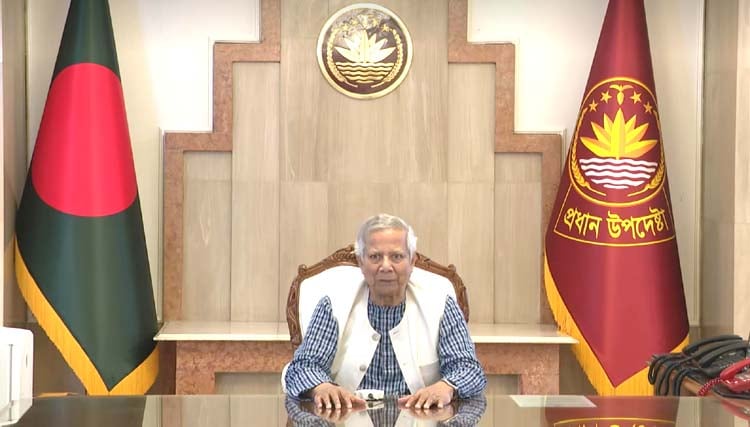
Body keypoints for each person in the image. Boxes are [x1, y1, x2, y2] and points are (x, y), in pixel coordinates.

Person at [284, 213, 486, 410]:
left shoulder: (440, 302)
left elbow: (468, 367)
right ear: (361, 262)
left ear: (412, 261)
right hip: (346, 418)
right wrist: (321, 387)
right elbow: (304, 365)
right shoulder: (334, 303)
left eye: (397, 256)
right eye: (375, 257)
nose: (386, 266)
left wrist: (446, 387)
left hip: (421, 418)